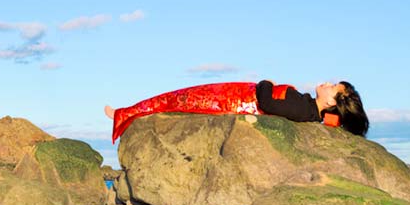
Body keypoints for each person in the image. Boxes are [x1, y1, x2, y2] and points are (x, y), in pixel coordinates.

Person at [105, 79, 369, 142]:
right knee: (179, 99)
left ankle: (126, 114)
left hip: (235, 100)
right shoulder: (309, 109)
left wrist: (267, 83)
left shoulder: (303, 108)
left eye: (332, 86)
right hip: (237, 96)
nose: (325, 83)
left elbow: (266, 102)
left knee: (182, 100)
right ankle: (128, 112)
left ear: (332, 102)